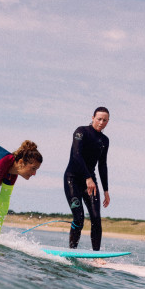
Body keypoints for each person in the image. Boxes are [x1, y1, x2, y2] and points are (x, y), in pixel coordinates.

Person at [63, 107, 110, 250]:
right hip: (73, 179)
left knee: (96, 218)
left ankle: (96, 255)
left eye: (105, 120)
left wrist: (106, 190)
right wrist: (88, 177)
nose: (101, 122)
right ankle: (72, 252)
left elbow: (102, 165)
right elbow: (76, 155)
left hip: (90, 182)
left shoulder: (104, 140)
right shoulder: (81, 132)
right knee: (79, 218)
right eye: (99, 119)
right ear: (93, 117)